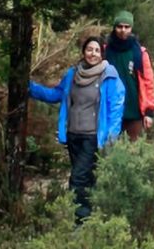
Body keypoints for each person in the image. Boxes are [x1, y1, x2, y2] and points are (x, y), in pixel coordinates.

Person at [29, 36, 125, 222]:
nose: (93, 53)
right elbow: (56, 94)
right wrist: (31, 88)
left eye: (97, 50)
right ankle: (94, 214)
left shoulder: (109, 76)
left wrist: (111, 137)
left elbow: (116, 107)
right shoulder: (72, 74)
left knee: (77, 178)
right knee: (87, 177)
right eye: (89, 49)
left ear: (102, 54)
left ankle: (80, 220)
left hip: (93, 137)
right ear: (83, 52)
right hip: (73, 135)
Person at [100, 11, 154, 142]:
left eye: (127, 27)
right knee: (107, 148)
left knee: (133, 149)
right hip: (110, 110)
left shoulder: (140, 53)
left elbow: (148, 83)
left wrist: (149, 112)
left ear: (131, 28)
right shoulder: (105, 51)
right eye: (119, 26)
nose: (123, 30)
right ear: (114, 28)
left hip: (134, 110)